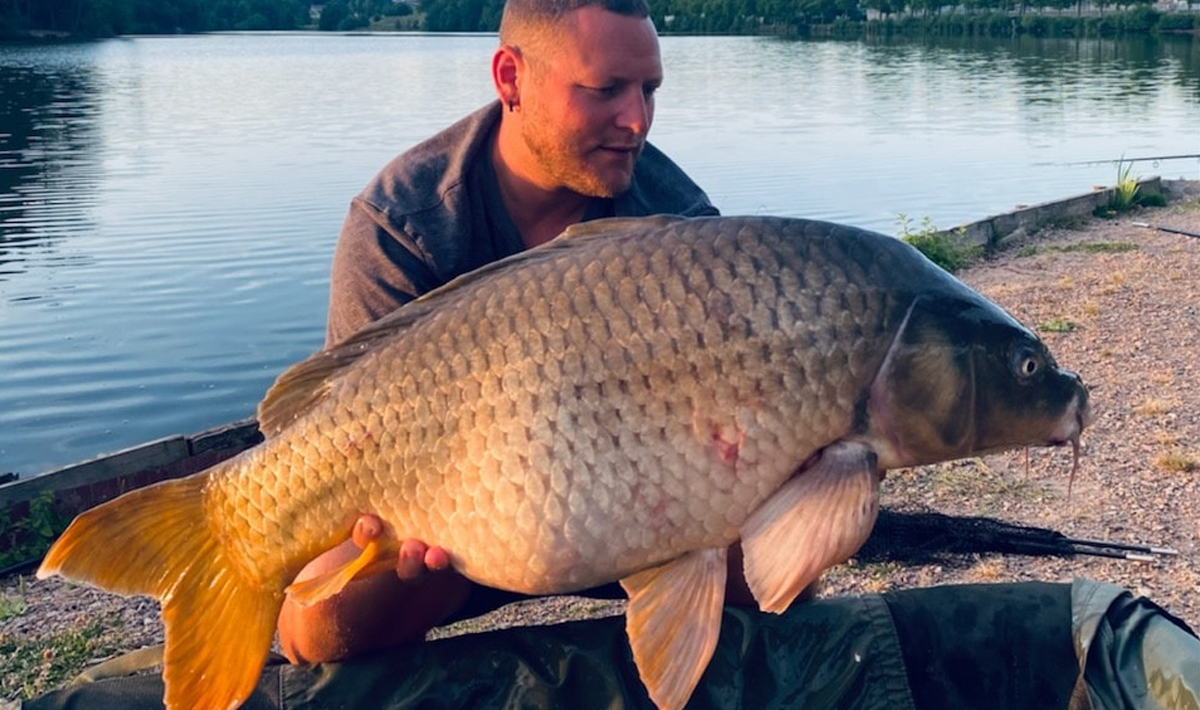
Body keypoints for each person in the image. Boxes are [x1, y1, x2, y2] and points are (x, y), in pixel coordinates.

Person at [20, 0, 1199, 708]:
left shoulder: (676, 215)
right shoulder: (401, 217)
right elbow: (338, 414)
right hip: (467, 506)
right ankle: (217, 553)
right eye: (604, 90)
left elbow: (773, 481)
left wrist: (769, 495)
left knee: (779, 584)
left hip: (640, 496)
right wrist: (394, 533)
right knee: (319, 634)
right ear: (512, 76)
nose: (636, 118)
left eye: (649, 87)